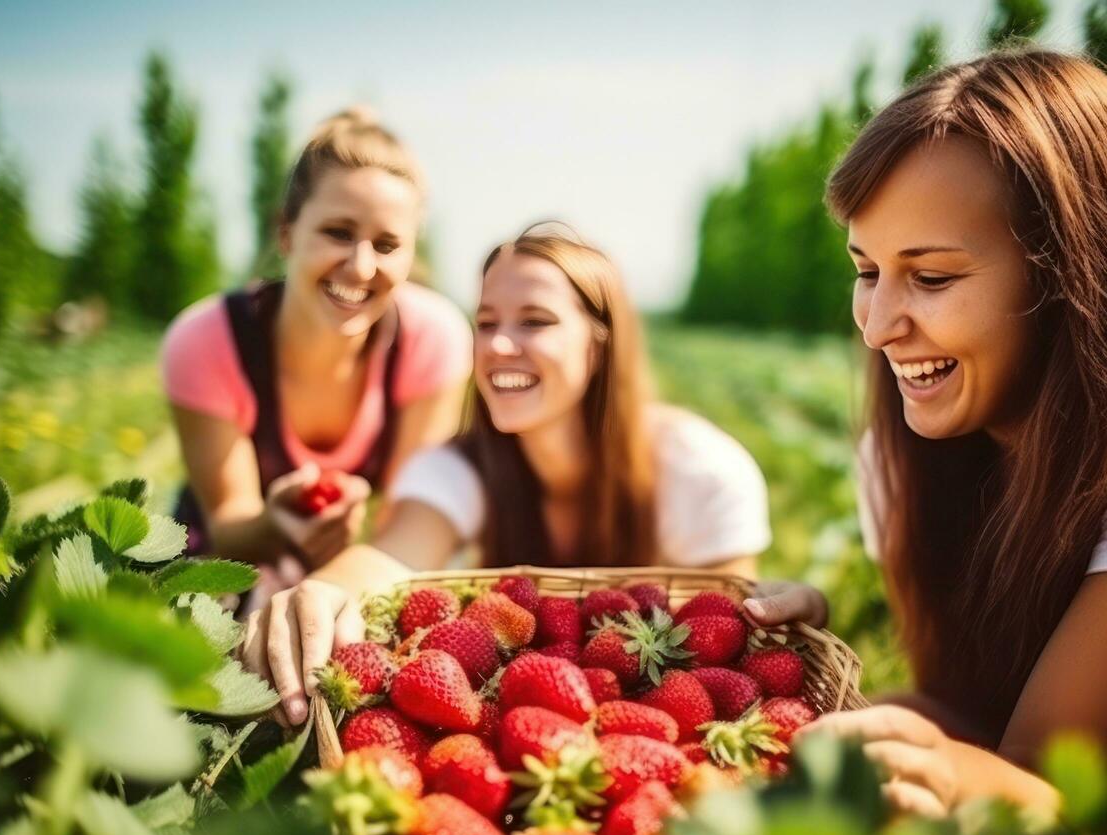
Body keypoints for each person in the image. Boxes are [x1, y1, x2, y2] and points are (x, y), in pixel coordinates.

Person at [748, 48, 1107, 818]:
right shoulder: (910, 454)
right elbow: (977, 725)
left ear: (1074, 271)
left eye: (931, 278)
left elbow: (1055, 792)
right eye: (866, 271)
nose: (877, 326)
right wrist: (789, 681)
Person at [241, 227, 772, 725]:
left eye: (535, 321)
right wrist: (326, 590)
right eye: (487, 322)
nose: (496, 346)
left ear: (600, 342)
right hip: (521, 724)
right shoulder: (457, 469)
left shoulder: (702, 472)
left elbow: (729, 638)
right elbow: (394, 557)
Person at [161, 108, 471, 601]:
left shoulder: (432, 339)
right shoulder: (208, 340)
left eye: (388, 244)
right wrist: (275, 524)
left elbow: (407, 522)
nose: (361, 266)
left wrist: (330, 589)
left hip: (338, 570)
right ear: (286, 233)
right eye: (339, 233)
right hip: (221, 566)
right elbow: (228, 526)